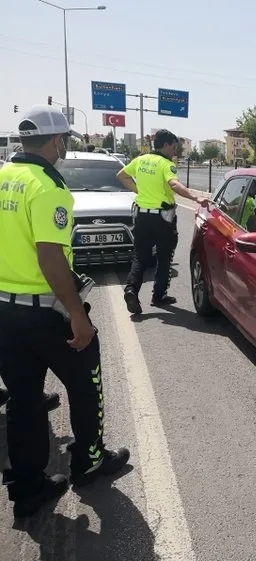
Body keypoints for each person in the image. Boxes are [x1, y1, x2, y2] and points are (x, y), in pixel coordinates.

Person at [0, 105, 129, 518]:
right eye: (66, 141)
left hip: (4, 312)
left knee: (23, 401)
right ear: (57, 142)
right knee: (85, 385)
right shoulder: (48, 188)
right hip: (46, 314)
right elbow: (51, 257)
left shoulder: (3, 177)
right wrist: (77, 314)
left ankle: (27, 489)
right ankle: (89, 461)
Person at [116, 129, 208, 314]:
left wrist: (138, 191)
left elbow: (121, 176)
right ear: (166, 145)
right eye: (174, 147)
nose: (175, 151)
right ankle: (158, 296)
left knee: (140, 257)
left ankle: (131, 290)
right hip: (162, 218)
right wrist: (195, 197)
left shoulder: (140, 160)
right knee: (164, 256)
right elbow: (174, 184)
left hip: (142, 216)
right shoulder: (166, 164)